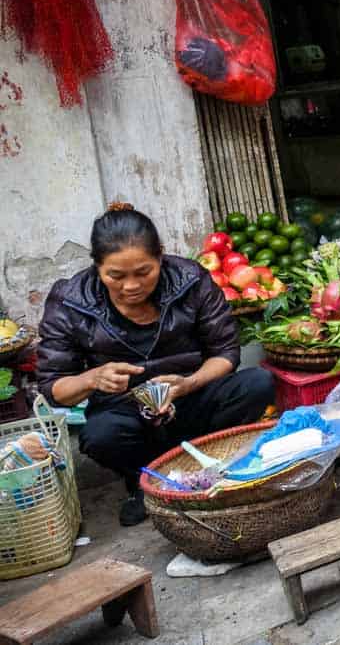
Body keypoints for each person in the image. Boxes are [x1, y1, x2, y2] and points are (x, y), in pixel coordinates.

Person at [36, 203, 274, 525]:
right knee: (99, 436)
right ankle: (147, 482)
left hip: (192, 397)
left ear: (160, 255)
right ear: (96, 266)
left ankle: (211, 462)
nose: (131, 286)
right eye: (115, 276)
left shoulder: (190, 280)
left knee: (257, 384)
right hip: (126, 412)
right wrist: (93, 378)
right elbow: (54, 388)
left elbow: (225, 352)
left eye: (143, 272)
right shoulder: (71, 302)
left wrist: (188, 384)